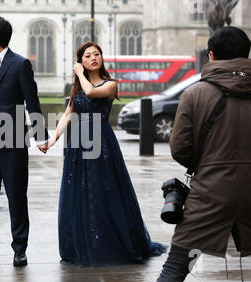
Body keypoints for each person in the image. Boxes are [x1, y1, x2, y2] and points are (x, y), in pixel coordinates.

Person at [156, 26, 251, 282]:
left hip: (209, 193)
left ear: (211, 56)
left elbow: (180, 149)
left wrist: (207, 165)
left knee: (176, 266)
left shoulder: (194, 94)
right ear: (246, 55)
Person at [44, 42, 167, 266]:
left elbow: (91, 92)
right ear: (81, 60)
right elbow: (68, 114)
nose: (93, 58)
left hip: (101, 141)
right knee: (79, 192)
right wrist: (53, 139)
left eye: (96, 54)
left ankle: (107, 242)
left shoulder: (110, 84)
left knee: (103, 191)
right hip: (79, 142)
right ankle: (83, 241)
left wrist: (80, 74)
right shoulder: (78, 87)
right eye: (87, 56)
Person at [0, 17, 49, 267]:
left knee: (16, 196)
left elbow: (31, 101)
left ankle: (19, 249)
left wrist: (41, 135)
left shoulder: (20, 64)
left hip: (13, 139)